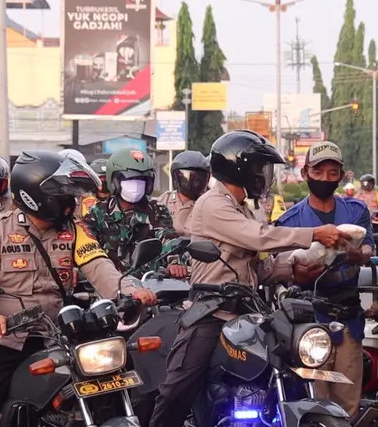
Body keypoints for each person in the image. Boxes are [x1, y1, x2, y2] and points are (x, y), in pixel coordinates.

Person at [0, 150, 157, 427]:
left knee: (118, 377)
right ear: (36, 194)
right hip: (2, 339)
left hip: (56, 336)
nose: (72, 201)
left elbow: (100, 267)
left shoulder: (74, 231)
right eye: (63, 194)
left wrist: (130, 289)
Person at [149, 130, 351, 427]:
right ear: (238, 167)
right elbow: (258, 239)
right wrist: (313, 235)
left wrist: (297, 268)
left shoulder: (244, 207)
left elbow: (261, 265)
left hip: (248, 313)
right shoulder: (213, 203)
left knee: (281, 370)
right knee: (176, 388)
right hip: (211, 312)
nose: (263, 175)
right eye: (259, 167)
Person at [275, 140, 374, 416]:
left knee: (347, 404)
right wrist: (298, 276)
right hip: (307, 324)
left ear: (341, 176)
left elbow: (369, 247)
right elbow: (277, 269)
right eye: (318, 172)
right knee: (312, 402)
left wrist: (358, 254)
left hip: (348, 319)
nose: (325, 178)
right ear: (305, 173)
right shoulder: (289, 222)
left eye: (332, 173)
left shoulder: (356, 211)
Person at [83, 148, 187, 278]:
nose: (136, 184)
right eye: (129, 179)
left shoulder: (157, 210)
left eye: (141, 179)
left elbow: (167, 237)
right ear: (115, 181)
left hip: (149, 284)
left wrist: (175, 262)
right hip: (110, 285)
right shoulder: (97, 212)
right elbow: (86, 247)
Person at [157, 150, 211, 236]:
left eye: (198, 177)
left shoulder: (210, 203)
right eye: (189, 176)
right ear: (176, 177)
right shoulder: (164, 200)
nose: (193, 182)